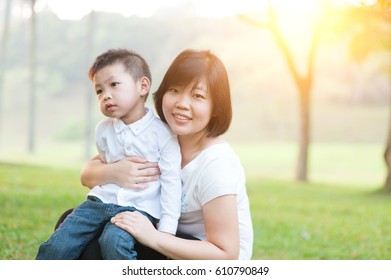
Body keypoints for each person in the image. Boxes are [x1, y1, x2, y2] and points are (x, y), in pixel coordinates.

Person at [80, 49, 253, 259]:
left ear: (216, 107)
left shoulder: (216, 165)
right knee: (73, 223)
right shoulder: (161, 134)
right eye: (174, 90)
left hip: (203, 255)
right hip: (165, 234)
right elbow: (87, 175)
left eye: (197, 96)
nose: (182, 103)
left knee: (100, 245)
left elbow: (226, 255)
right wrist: (115, 172)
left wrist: (152, 237)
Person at [36, 49, 182, 260]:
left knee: (114, 241)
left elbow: (171, 181)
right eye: (99, 91)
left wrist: (166, 232)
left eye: (114, 85)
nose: (106, 96)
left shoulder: (163, 133)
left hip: (138, 209)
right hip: (98, 203)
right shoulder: (103, 131)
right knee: (59, 243)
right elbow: (101, 165)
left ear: (142, 86)